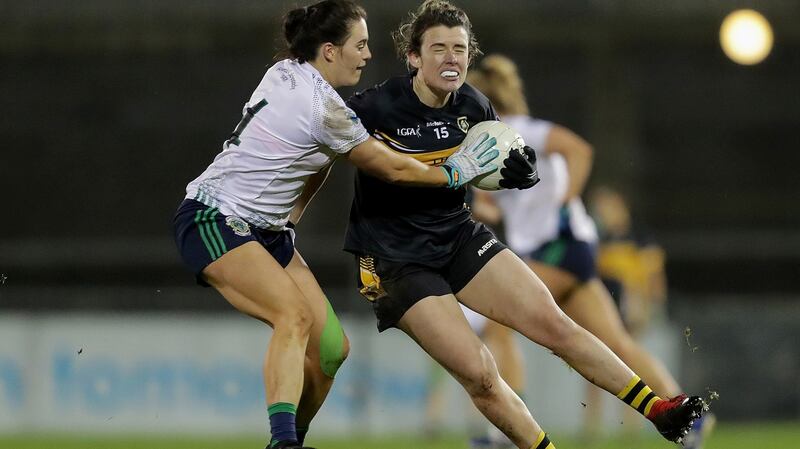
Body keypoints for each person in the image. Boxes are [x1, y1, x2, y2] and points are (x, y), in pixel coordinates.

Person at [344, 2, 706, 449]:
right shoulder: (376, 106)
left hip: (458, 238)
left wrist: (522, 172)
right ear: (414, 57)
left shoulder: (475, 106)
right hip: (397, 262)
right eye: (437, 48)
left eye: (459, 48)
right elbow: (319, 145)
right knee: (481, 376)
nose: (450, 58)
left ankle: (659, 409)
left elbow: (504, 164)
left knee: (556, 325)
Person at [171, 2, 514, 448]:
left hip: (267, 231)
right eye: (361, 44)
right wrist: (455, 171)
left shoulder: (286, 71)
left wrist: (292, 216)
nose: (368, 54)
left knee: (333, 351)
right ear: (330, 50)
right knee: (291, 317)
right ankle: (284, 444)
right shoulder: (324, 110)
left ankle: (294, 436)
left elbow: (319, 161)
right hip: (214, 217)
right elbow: (390, 168)